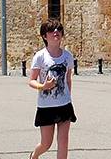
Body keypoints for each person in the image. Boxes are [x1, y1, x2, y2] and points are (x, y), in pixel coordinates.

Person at [28, 18, 75, 159]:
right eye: (51, 30)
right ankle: (34, 155)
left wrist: (68, 98)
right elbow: (31, 80)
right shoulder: (40, 57)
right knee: (46, 144)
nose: (56, 32)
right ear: (44, 36)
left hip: (64, 105)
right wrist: (43, 86)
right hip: (46, 106)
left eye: (59, 30)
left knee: (63, 142)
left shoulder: (67, 56)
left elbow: (68, 79)